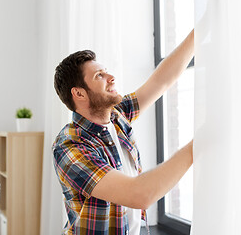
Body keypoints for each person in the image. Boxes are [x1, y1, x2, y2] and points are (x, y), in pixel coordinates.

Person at [53, 29, 194, 235]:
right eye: (99, 75)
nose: (111, 77)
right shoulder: (70, 146)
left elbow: (162, 81)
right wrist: (199, 143)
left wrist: (197, 34)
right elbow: (139, 194)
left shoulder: (117, 116)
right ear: (79, 93)